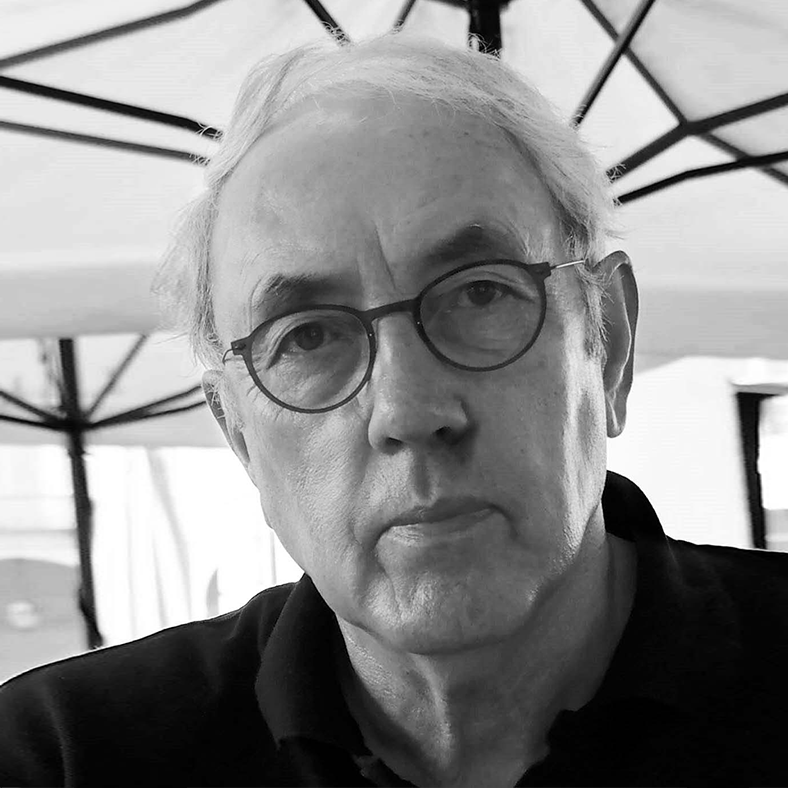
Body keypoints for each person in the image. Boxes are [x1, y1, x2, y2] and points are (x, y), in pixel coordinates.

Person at [1, 32, 787, 788]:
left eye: (480, 294)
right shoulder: (60, 756)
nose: (409, 412)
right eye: (307, 337)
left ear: (606, 342)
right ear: (240, 435)